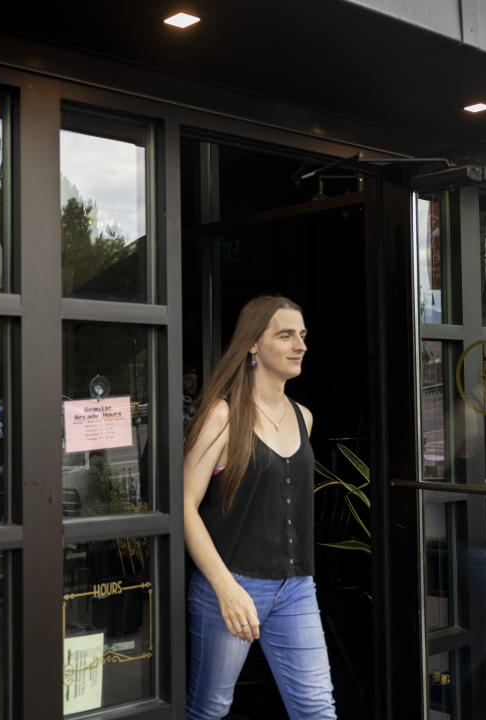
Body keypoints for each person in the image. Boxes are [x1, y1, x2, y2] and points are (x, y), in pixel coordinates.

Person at [183, 295, 336, 720]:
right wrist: (225, 587)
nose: (299, 345)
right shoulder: (222, 416)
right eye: (285, 335)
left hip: (296, 587)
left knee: (318, 709)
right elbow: (184, 507)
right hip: (230, 582)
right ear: (252, 344)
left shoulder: (303, 417)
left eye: (302, 335)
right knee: (210, 708)